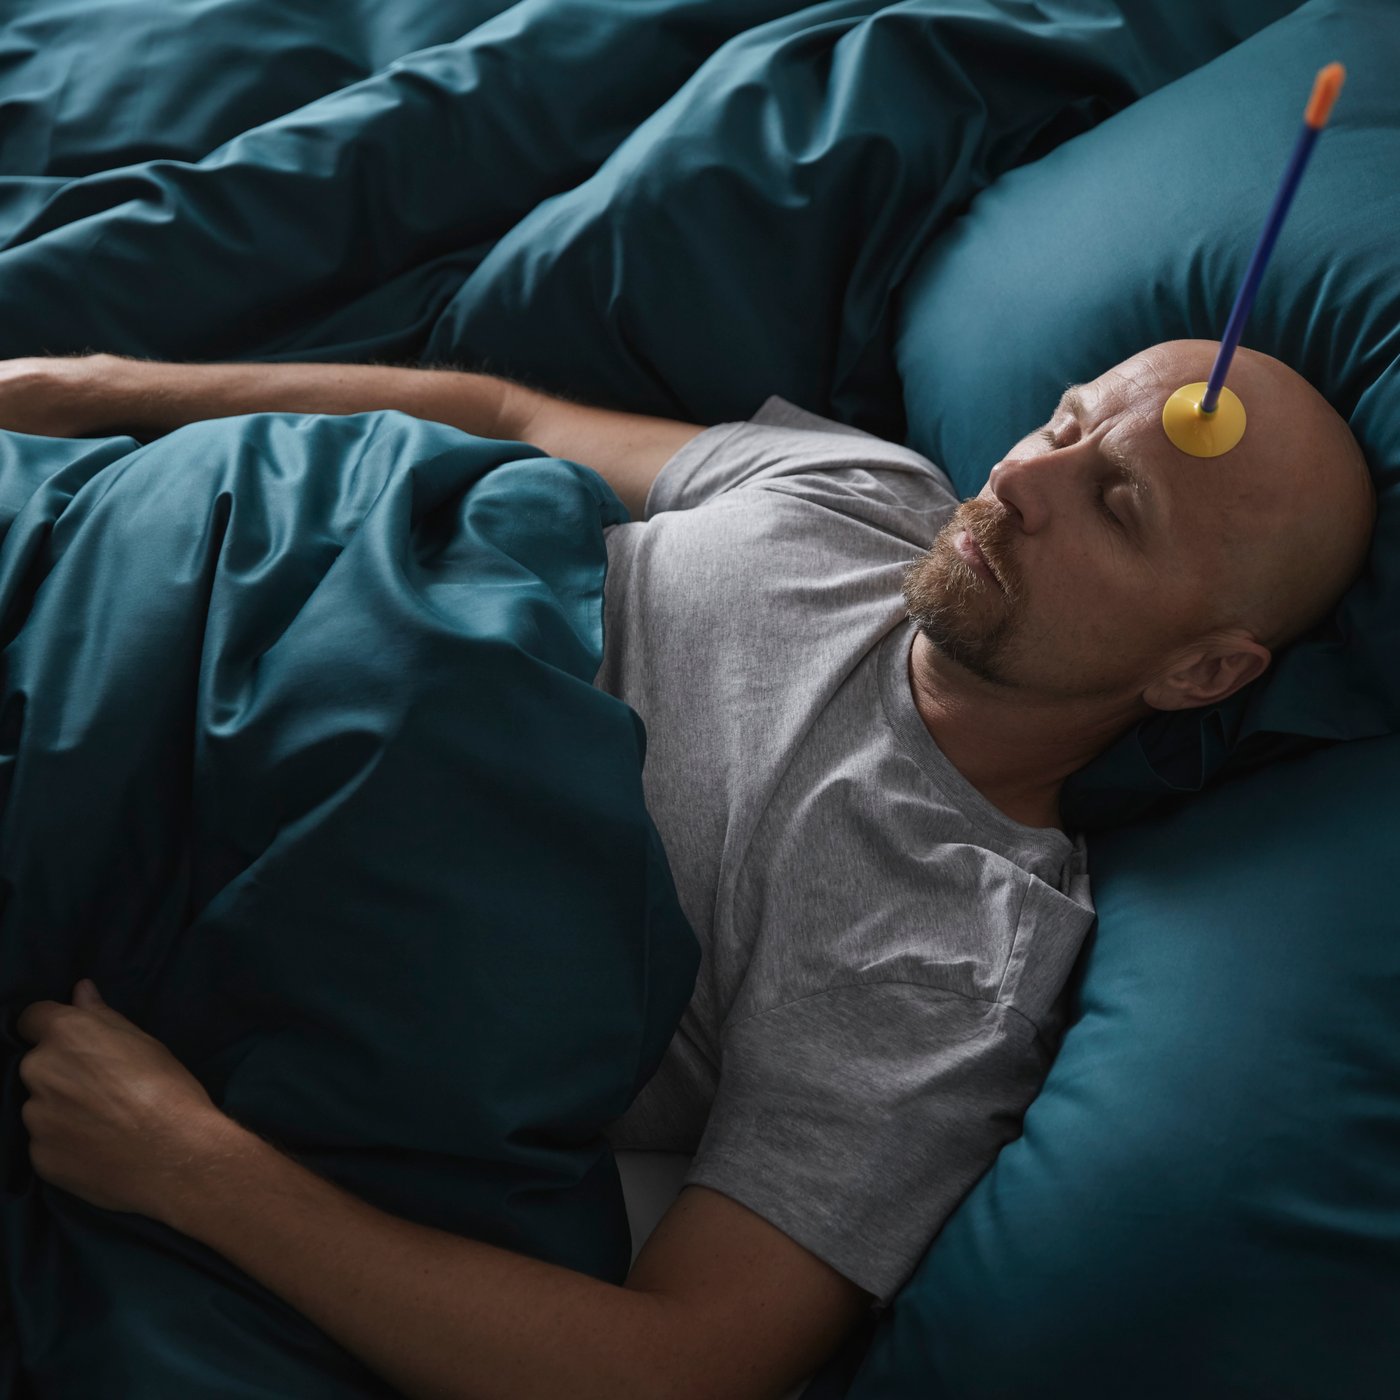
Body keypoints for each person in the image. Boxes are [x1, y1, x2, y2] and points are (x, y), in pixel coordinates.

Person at [8, 338, 1377, 1400]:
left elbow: (688, 1364)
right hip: (173, 561)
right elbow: (506, 417)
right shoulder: (869, 492)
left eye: (1115, 504)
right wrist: (96, 390)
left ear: (1202, 672)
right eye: (1065, 423)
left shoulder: (951, 958)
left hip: (204, 853)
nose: (1019, 482)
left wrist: (191, 1168)